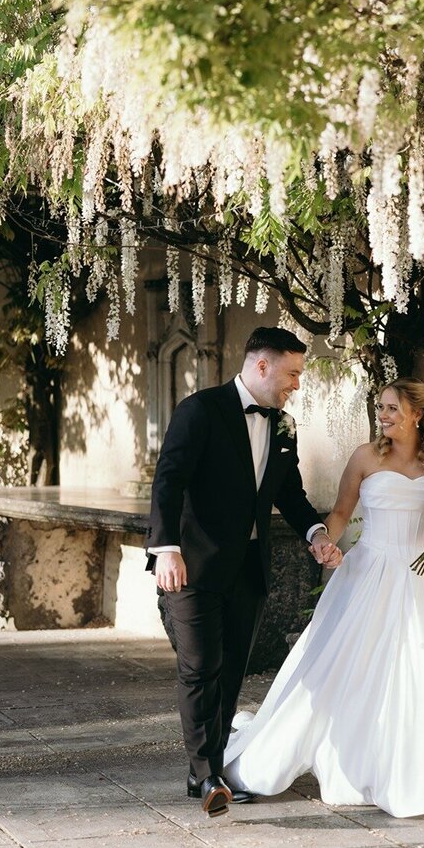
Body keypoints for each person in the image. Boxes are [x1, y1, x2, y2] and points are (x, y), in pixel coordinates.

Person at [224, 377, 424, 819]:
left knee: (418, 669)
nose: (384, 415)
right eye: (381, 407)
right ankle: (326, 761)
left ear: (418, 413)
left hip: (421, 576)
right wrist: (325, 544)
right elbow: (340, 513)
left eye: (393, 408)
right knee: (343, 667)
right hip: (369, 573)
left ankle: (416, 775)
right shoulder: (365, 456)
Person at [146, 326, 339, 817]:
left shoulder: (284, 426)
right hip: (191, 567)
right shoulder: (200, 410)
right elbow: (168, 481)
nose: (296, 383)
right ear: (261, 366)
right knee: (199, 667)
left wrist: (316, 533)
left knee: (231, 670)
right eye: (292, 373)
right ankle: (207, 773)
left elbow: (288, 493)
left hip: (248, 570)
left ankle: (205, 771)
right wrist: (166, 548)